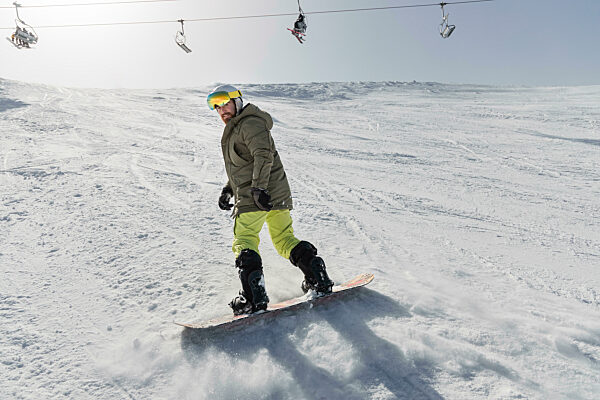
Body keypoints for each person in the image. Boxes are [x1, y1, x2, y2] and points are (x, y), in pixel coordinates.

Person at [207, 84, 334, 315]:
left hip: (257, 193)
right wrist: (228, 189)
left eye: (224, 102)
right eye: (215, 106)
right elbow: (241, 167)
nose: (221, 109)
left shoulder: (250, 123)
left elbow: (263, 156)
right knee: (284, 240)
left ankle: (253, 297)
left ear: (237, 100)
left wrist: (258, 189)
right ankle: (317, 276)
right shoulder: (239, 127)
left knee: (244, 239)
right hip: (273, 194)